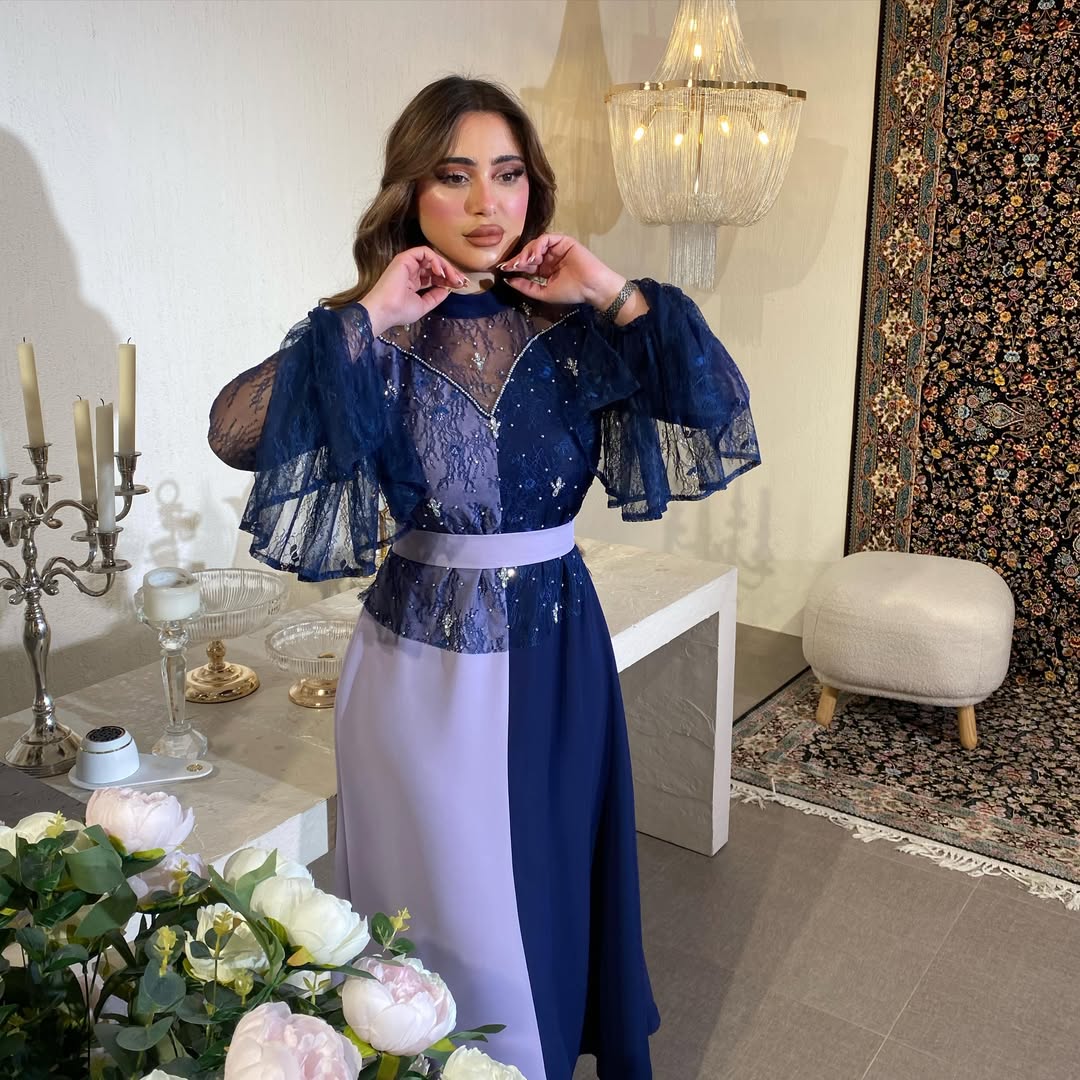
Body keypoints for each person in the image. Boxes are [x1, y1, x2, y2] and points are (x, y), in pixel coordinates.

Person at [208, 75, 760, 1080]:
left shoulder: (577, 329)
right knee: (438, 911)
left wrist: (607, 286)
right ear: (410, 192)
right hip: (417, 670)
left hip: (557, 650)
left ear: (533, 187)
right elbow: (234, 432)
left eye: (506, 175)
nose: (484, 202)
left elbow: (716, 400)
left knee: (550, 885)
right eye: (453, 176)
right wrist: (372, 311)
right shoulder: (371, 335)